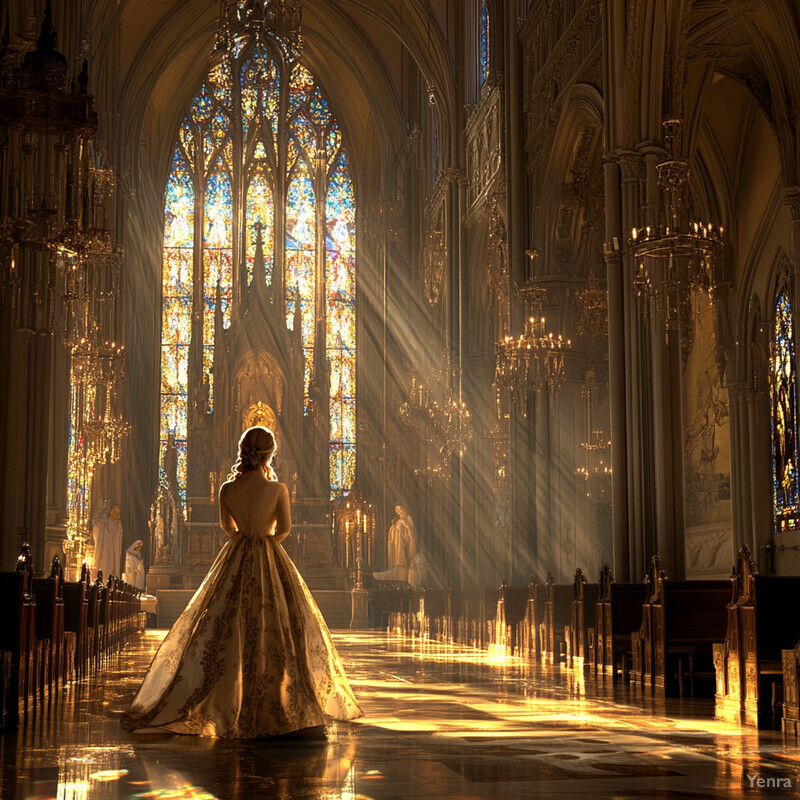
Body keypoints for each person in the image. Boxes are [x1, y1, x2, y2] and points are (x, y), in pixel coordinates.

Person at [121, 426, 363, 738]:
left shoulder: (226, 489)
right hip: (268, 552)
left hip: (236, 553)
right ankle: (275, 699)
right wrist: (266, 543)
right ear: (269, 454)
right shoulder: (278, 490)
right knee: (275, 626)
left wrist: (243, 543)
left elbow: (227, 526)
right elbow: (285, 529)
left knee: (226, 625)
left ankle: (224, 699)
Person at [93, 502, 123, 580]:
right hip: (104, 547)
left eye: (117, 512)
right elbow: (97, 530)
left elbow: (119, 535)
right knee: (103, 563)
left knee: (112, 566)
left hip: (113, 549)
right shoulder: (104, 521)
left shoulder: (118, 524)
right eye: (114, 511)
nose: (116, 513)